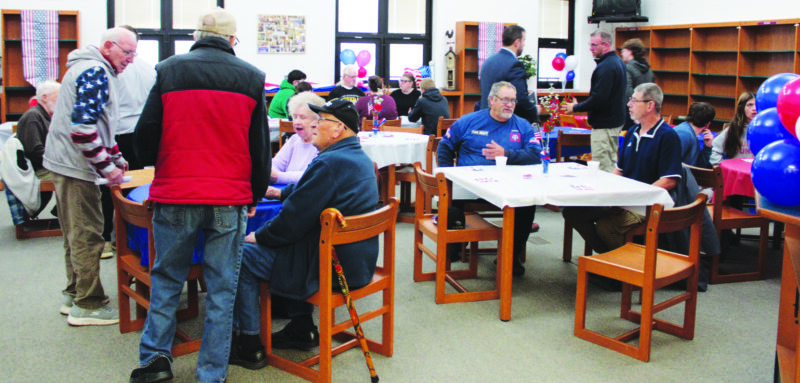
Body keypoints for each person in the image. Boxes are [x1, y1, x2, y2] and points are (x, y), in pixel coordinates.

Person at [130, 8, 271, 383]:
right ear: (231, 40)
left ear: (195, 36)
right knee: (223, 288)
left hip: (176, 192)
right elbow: (260, 148)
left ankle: (154, 362)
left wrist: (152, 162)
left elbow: (145, 132)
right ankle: (211, 373)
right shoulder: (252, 77)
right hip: (229, 196)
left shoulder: (169, 70)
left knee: (166, 278)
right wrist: (254, 193)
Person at [229, 98, 378, 370]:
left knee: (240, 255)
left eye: (320, 121)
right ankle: (301, 327)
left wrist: (258, 237)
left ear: (338, 129)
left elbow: (291, 221)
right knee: (288, 243)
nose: (314, 125)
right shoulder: (358, 158)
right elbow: (311, 192)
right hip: (357, 262)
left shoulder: (330, 163)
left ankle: (248, 344)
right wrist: (282, 193)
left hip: (332, 268)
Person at [42, 27, 137, 326]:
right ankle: (89, 304)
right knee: (87, 234)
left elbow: (100, 124)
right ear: (108, 47)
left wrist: (116, 158)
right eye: (127, 52)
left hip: (66, 162)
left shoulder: (91, 68)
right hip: (74, 166)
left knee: (75, 233)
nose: (131, 60)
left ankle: (74, 294)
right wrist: (108, 169)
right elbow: (82, 130)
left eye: (134, 54)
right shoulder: (96, 71)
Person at [562, 83, 681, 254]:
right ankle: (609, 260)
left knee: (606, 227)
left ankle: (626, 271)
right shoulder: (632, 132)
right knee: (573, 213)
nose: (629, 104)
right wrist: (606, 193)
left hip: (647, 204)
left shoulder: (667, 136)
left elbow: (669, 180)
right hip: (624, 199)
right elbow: (619, 170)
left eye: (634, 100)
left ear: (650, 105)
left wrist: (634, 198)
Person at [438, 81, 541, 276]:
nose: (510, 104)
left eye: (513, 100)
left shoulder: (523, 125)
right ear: (492, 100)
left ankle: (511, 254)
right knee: (450, 205)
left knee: (528, 204)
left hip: (509, 187)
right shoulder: (469, 121)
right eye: (505, 100)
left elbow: (536, 154)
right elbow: (445, 145)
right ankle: (455, 248)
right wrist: (447, 174)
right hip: (469, 187)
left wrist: (507, 154)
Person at [95, 25, 156, 260]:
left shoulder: (111, 70)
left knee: (110, 188)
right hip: (141, 133)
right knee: (138, 186)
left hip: (117, 134)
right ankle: (136, 235)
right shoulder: (148, 68)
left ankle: (105, 240)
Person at [563, 30, 627, 173]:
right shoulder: (617, 62)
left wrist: (576, 107)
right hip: (613, 122)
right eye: (590, 44)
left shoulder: (606, 67)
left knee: (603, 167)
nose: (590, 48)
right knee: (610, 162)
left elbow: (599, 98)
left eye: (593, 45)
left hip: (604, 125)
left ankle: (607, 195)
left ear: (605, 45)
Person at [15, 79, 60, 217]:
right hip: (39, 170)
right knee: (77, 177)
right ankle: (64, 212)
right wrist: (61, 161)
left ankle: (62, 210)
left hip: (46, 165)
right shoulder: (33, 116)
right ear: (44, 97)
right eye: (58, 97)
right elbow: (35, 151)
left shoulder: (44, 115)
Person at [478, 25, 539, 124]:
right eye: (523, 41)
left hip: (485, 120)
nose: (523, 45)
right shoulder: (515, 64)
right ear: (517, 42)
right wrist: (534, 112)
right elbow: (520, 98)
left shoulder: (488, 61)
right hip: (505, 123)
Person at [270, 92, 324, 184]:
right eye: (295, 117)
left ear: (316, 119)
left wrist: (278, 176)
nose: (297, 122)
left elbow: (312, 176)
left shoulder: (323, 143)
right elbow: (274, 165)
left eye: (303, 118)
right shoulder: (294, 140)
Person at [710, 92, 756, 165]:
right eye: (750, 105)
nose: (754, 108)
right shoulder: (733, 129)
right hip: (737, 173)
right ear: (742, 108)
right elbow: (713, 149)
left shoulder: (766, 130)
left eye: (757, 104)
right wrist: (722, 167)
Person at [620, 38, 655, 130]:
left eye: (624, 51)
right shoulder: (649, 70)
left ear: (630, 52)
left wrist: (635, 110)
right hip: (647, 111)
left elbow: (627, 92)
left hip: (631, 113)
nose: (621, 53)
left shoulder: (628, 68)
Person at [673, 102, 715, 168]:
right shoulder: (684, 134)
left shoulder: (689, 133)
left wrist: (707, 147)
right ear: (708, 124)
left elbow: (698, 166)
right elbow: (671, 163)